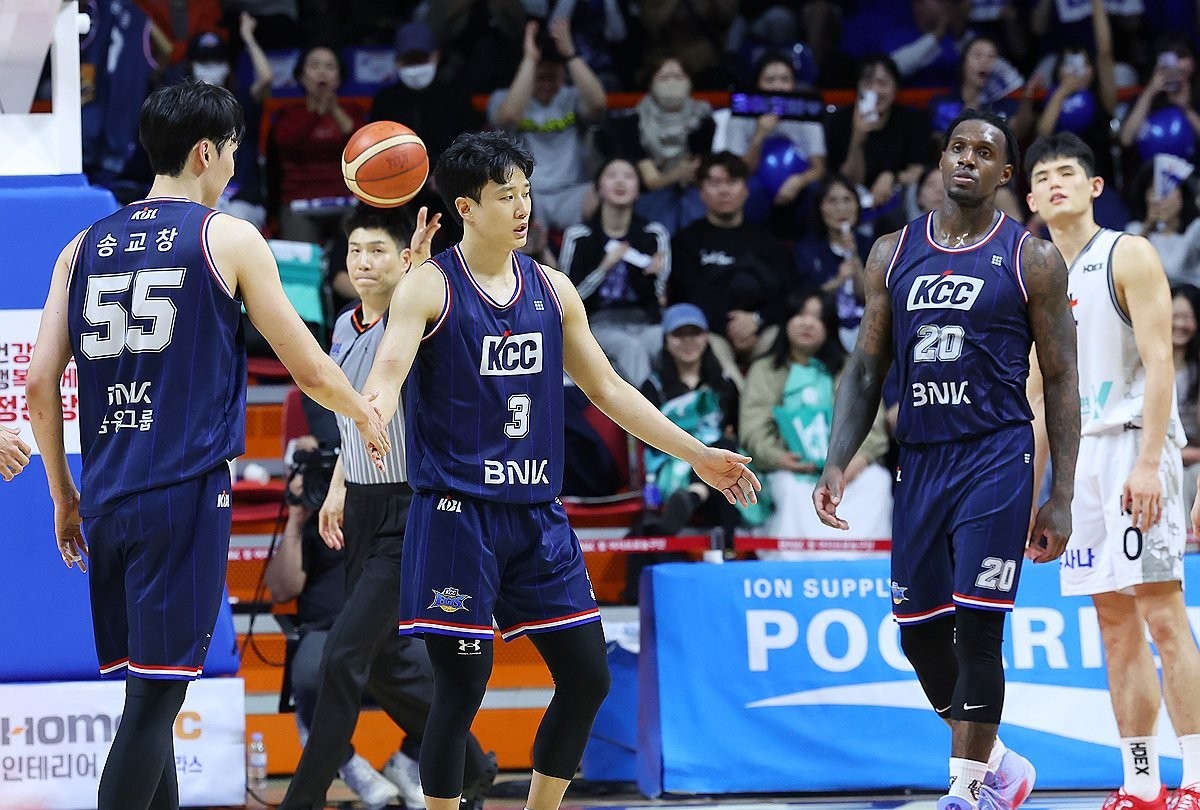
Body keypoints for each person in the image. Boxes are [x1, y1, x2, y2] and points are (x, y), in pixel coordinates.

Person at [359, 129, 759, 810]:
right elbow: (391, 368)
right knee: (461, 686)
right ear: (465, 206)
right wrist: (375, 408)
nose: (522, 208)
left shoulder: (554, 289)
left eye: (525, 193)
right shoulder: (429, 286)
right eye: (504, 196)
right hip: (458, 514)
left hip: (537, 515)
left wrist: (699, 454)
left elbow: (609, 391)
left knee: (587, 677)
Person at [24, 80, 389, 810]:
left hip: (106, 496)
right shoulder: (225, 236)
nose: (232, 165)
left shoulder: (82, 243)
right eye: (229, 151)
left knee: (149, 698)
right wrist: (365, 410)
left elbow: (39, 385)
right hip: (181, 491)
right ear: (203, 152)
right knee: (152, 710)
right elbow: (309, 367)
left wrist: (65, 497)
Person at [813, 109, 1081, 810]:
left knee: (979, 625)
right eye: (957, 147)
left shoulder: (1032, 258)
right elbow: (867, 367)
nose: (967, 158)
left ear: (1005, 175)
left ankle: (965, 791)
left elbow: (1060, 379)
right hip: (921, 459)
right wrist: (838, 458)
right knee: (918, 634)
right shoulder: (892, 253)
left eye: (983, 151)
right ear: (941, 161)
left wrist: (1062, 493)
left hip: (996, 454)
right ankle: (1000, 763)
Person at [272, 206, 495, 810]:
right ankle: (475, 763)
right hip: (364, 503)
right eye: (354, 251)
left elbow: (429, 331)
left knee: (343, 656)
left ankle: (304, 798)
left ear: (403, 260)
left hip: (413, 506)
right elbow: (354, 417)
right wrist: (342, 485)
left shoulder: (417, 317)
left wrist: (423, 265)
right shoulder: (344, 329)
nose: (363, 262)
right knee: (386, 662)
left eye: (377, 251)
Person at [1026, 131, 1200, 809]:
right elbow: (1038, 397)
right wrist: (1038, 495)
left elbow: (1163, 363)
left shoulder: (1126, 252)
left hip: (1134, 444)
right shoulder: (1035, 277)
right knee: (1113, 624)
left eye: (1069, 173)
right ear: (1032, 197)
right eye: (1044, 178)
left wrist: (1152, 463)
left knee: (1161, 615)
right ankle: (1139, 780)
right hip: (1080, 463)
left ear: (1094, 187)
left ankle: (1196, 775)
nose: (1056, 184)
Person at [741, 291, 892, 557]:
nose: (807, 323)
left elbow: (875, 426)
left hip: (846, 470)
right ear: (786, 321)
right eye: (800, 315)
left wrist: (859, 461)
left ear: (830, 327)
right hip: (792, 468)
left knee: (877, 481)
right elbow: (753, 429)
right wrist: (780, 458)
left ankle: (865, 569)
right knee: (787, 487)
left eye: (818, 318)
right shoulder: (765, 370)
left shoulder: (851, 368)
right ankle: (793, 569)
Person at [668, 151, 792, 378]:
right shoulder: (686, 241)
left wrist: (755, 320)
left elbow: (784, 293)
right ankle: (738, 402)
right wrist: (732, 327)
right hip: (712, 332)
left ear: (746, 190)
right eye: (714, 183)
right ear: (702, 192)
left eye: (732, 182)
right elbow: (688, 295)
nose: (724, 190)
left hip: (761, 330)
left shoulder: (767, 241)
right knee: (709, 345)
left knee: (780, 336)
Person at [558, 156, 670, 387]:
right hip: (597, 325)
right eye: (612, 176)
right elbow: (568, 300)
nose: (620, 182)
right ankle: (653, 412)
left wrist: (653, 275)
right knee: (630, 348)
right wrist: (604, 268)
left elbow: (659, 297)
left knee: (669, 341)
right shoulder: (579, 236)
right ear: (598, 188)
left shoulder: (653, 234)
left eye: (628, 176)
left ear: (639, 189)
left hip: (645, 323)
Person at [488, 19, 607, 232]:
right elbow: (509, 118)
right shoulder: (503, 98)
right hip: (527, 192)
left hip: (572, 191)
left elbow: (598, 104)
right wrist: (530, 60)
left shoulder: (571, 97)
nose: (545, 85)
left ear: (564, 75)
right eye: (539, 78)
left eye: (553, 78)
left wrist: (570, 53)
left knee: (605, 190)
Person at [1173, 284, 1200, 498]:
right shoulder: (1142, 367)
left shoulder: (1196, 370)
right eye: (1175, 316)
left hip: (1193, 455)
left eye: (1188, 317)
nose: (1180, 324)